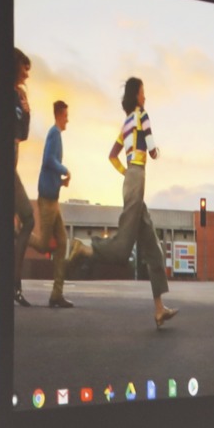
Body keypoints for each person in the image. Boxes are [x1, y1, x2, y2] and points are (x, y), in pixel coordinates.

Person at [87, 77, 178, 328]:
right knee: (123, 246)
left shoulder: (125, 124)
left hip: (131, 177)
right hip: (136, 177)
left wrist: (125, 172)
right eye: (143, 92)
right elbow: (150, 145)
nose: (145, 97)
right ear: (136, 95)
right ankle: (85, 248)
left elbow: (112, 156)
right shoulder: (141, 116)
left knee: (153, 249)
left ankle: (159, 310)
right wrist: (156, 152)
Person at [26, 100, 92, 308]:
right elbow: (48, 160)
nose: (68, 120)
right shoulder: (54, 133)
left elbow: (49, 167)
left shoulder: (56, 135)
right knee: (45, 244)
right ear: (59, 115)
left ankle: (57, 294)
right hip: (47, 199)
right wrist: (65, 170)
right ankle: (20, 234)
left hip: (53, 197)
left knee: (62, 242)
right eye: (66, 116)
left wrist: (61, 182)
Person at [12, 48, 35, 307]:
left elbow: (24, 135)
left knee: (22, 223)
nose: (27, 73)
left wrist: (26, 111)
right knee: (28, 218)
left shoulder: (19, 96)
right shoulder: (3, 93)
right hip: (5, 167)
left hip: (13, 166)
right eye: (25, 67)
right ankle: (14, 284)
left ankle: (14, 285)